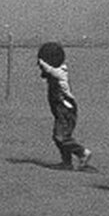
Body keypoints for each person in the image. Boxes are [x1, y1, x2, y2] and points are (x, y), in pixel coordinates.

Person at [36, 42, 92, 170]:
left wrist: (42, 61)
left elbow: (51, 71)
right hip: (59, 109)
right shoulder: (53, 72)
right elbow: (46, 72)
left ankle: (83, 153)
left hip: (66, 109)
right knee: (63, 137)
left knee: (60, 137)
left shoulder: (61, 72)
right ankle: (66, 163)